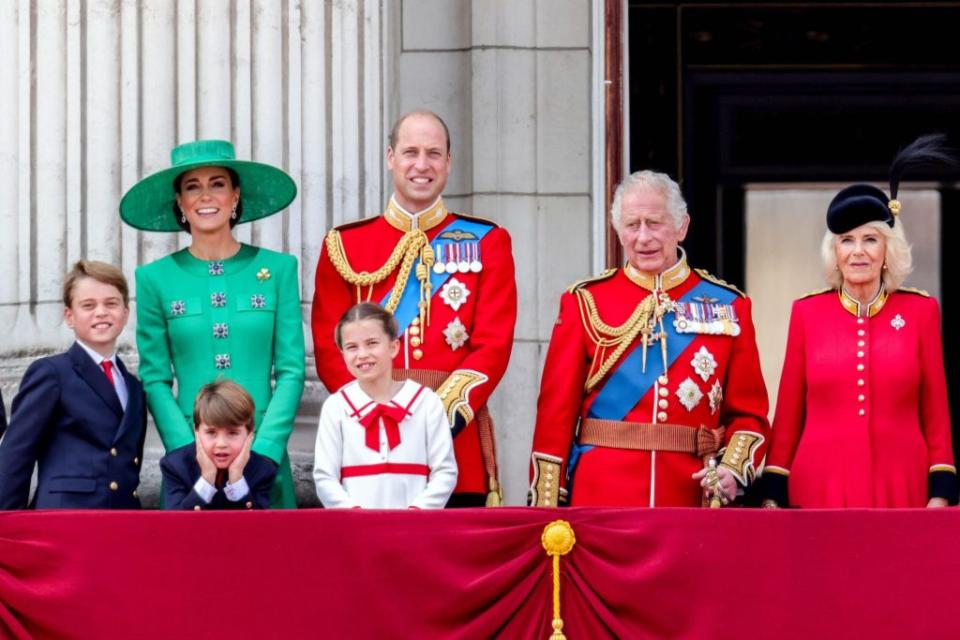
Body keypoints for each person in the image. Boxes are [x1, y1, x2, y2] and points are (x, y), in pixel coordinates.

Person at [311, 110, 516, 507]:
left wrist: (430, 419)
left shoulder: (487, 241)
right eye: (410, 152)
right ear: (390, 157)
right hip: (366, 445)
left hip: (455, 445)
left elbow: (493, 347)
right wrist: (376, 414)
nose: (422, 165)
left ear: (449, 162)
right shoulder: (345, 245)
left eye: (434, 153)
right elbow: (329, 347)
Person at [529, 170, 770, 507]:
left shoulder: (729, 305)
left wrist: (732, 469)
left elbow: (750, 414)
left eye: (654, 223)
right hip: (601, 497)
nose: (643, 237)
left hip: (688, 496)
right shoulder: (585, 302)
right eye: (632, 225)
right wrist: (546, 506)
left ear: (682, 227)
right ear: (618, 231)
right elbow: (554, 416)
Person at [762, 135, 958, 508]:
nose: (858, 252)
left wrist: (941, 490)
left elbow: (935, 412)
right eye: (846, 241)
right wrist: (773, 489)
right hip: (820, 486)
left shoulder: (920, 311)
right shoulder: (807, 313)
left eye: (870, 239)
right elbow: (788, 413)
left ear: (887, 250)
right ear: (834, 253)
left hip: (903, 485)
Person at [120, 139, 305, 509]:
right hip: (192, 459)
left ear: (235, 195)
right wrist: (187, 449)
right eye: (193, 186)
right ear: (180, 203)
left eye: (217, 183)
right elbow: (155, 377)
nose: (206, 195)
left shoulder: (280, 269)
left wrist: (266, 448)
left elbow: (291, 370)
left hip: (263, 452)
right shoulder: (154, 278)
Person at [0, 260, 146, 509]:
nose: (101, 312)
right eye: (88, 305)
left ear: (125, 313)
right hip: (63, 518)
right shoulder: (52, 373)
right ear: (69, 316)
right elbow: (15, 456)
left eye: (111, 303)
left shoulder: (133, 386)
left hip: (122, 520)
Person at [313, 303, 457, 509]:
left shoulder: (426, 402)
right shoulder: (336, 407)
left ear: (393, 347)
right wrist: (354, 515)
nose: (362, 354)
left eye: (372, 343)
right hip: (357, 530)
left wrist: (417, 513)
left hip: (416, 529)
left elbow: (445, 471)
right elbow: (325, 477)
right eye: (352, 347)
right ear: (342, 353)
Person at [160, 380, 276, 510]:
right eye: (211, 432)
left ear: (249, 433)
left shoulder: (263, 469)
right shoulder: (176, 465)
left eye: (232, 433)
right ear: (197, 431)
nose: (221, 444)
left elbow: (258, 526)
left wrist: (237, 478)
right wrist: (207, 478)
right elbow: (174, 525)